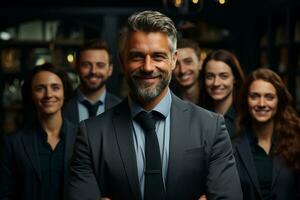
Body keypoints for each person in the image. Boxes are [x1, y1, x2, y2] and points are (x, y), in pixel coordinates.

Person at [68, 10, 242, 200]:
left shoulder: (210, 127)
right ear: (122, 62)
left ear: (173, 60)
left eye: (158, 56)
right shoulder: (91, 134)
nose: (148, 67)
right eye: (137, 57)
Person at [0, 63, 77, 200]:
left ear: (64, 93)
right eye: (40, 88)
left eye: (55, 87)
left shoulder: (83, 138)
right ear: (31, 95)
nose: (48, 94)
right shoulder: (12, 144)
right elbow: (5, 194)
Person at [234, 68, 300, 200]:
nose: (262, 104)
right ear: (246, 101)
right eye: (254, 96)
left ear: (279, 101)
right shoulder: (232, 147)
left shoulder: (296, 142)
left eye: (269, 97)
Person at [63, 39, 121, 123]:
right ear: (77, 68)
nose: (93, 71)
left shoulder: (122, 108)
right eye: (86, 65)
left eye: (100, 65)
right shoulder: (62, 106)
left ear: (110, 70)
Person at [200, 49, 245, 139]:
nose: (216, 83)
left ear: (235, 78)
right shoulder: (197, 116)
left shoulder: (246, 116)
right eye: (210, 76)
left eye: (224, 76)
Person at [171, 38, 202, 105]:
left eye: (188, 62)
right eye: (177, 64)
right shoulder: (167, 98)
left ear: (200, 63)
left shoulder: (213, 95)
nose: (182, 70)